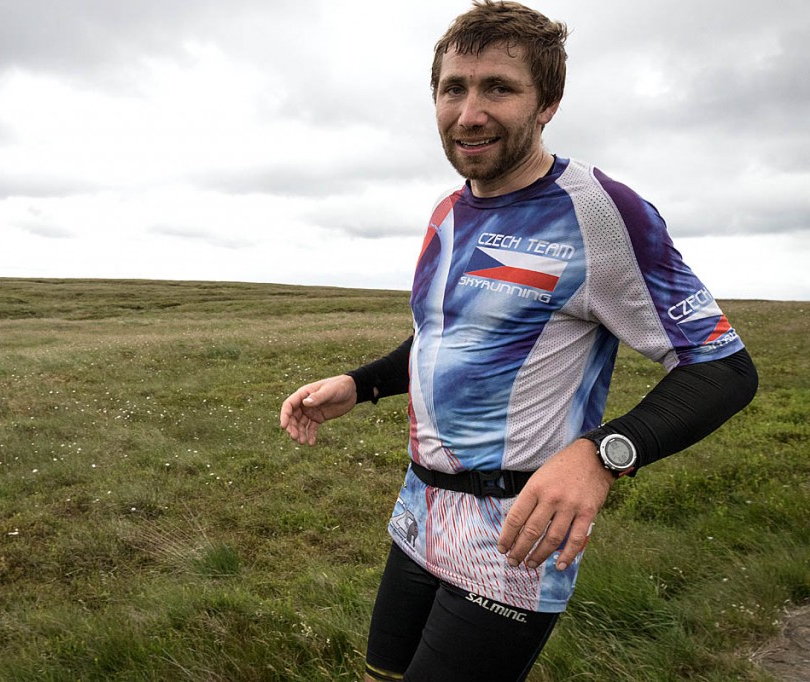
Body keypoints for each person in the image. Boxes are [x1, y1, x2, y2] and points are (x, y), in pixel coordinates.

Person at [278, 2, 759, 680]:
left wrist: (602, 455)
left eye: (498, 88)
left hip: (516, 537)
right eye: (454, 88)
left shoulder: (598, 210)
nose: (469, 112)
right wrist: (361, 385)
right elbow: (447, 337)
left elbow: (724, 368)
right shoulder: (449, 211)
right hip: (419, 512)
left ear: (548, 103)